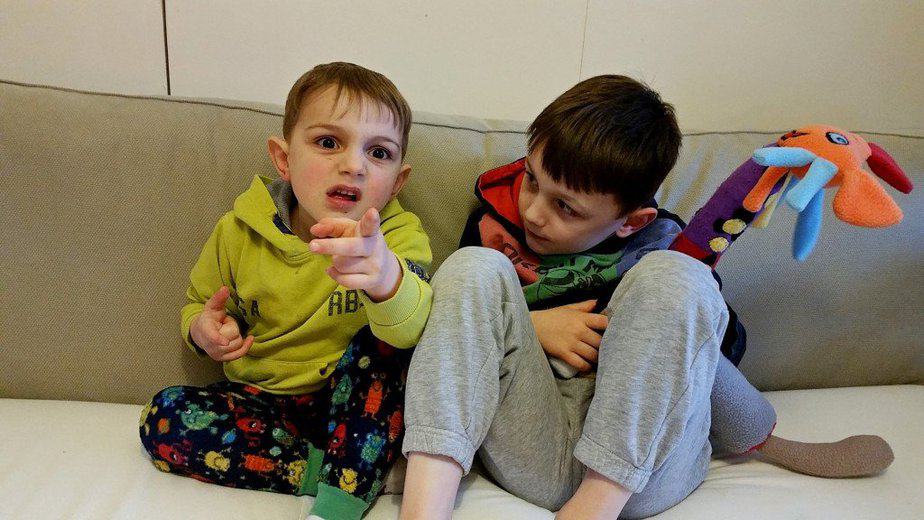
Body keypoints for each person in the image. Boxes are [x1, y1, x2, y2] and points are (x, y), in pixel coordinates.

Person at [400, 75, 740, 519]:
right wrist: (533, 326)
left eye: (565, 207)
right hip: (534, 446)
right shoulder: (494, 225)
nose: (533, 213)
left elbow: (718, 358)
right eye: (531, 180)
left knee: (680, 275)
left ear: (631, 222)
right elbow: (463, 338)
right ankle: (423, 509)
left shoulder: (663, 245)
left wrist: (645, 325)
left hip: (643, 477)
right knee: (471, 266)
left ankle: (593, 508)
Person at [139, 62, 432, 520]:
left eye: (378, 152)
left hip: (354, 407)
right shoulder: (240, 230)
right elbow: (200, 304)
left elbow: (413, 328)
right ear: (284, 158)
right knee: (164, 416)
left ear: (397, 182)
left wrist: (384, 278)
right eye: (328, 143)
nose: (353, 165)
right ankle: (338, 473)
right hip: (264, 405)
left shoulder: (396, 235)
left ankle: (337, 505)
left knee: (379, 351)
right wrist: (205, 329)